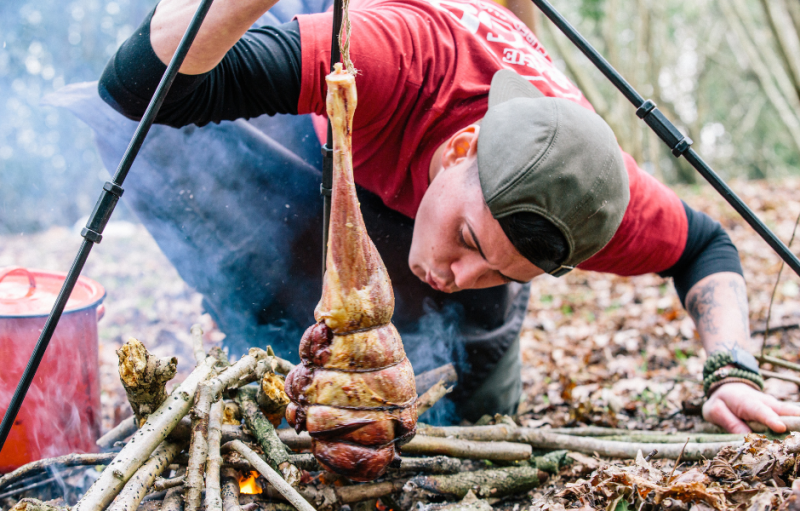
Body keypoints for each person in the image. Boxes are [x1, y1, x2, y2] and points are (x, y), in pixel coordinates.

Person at [96, 0, 800, 431]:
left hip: (449, 176)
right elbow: (139, 87)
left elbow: (705, 245)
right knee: (181, 152)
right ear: (465, 146)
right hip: (351, 145)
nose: (457, 277)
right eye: (468, 241)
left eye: (502, 268)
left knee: (477, 418)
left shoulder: (593, 193)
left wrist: (731, 369)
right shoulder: (387, 58)